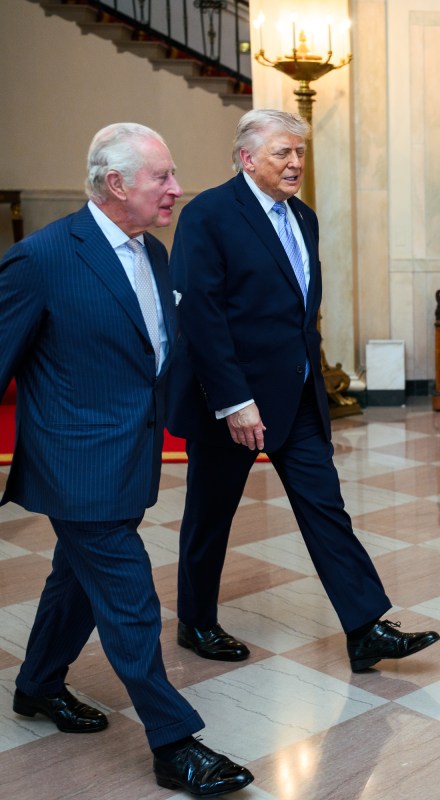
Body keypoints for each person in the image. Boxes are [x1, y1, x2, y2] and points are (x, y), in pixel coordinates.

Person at [0, 123, 253, 796]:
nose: (176, 189)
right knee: (131, 600)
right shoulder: (43, 258)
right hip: (74, 465)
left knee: (74, 581)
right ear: (117, 185)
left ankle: (37, 685)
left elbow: (152, 357)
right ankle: (174, 744)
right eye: (162, 177)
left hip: (129, 459)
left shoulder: (156, 254)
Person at [166, 109, 440, 672]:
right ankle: (195, 621)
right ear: (247, 158)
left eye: (300, 153)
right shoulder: (209, 215)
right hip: (229, 402)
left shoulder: (304, 217)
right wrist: (235, 401)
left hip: (297, 394)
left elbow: (300, 311)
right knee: (210, 515)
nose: (295, 164)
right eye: (282, 154)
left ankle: (365, 628)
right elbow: (202, 316)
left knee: (326, 508)